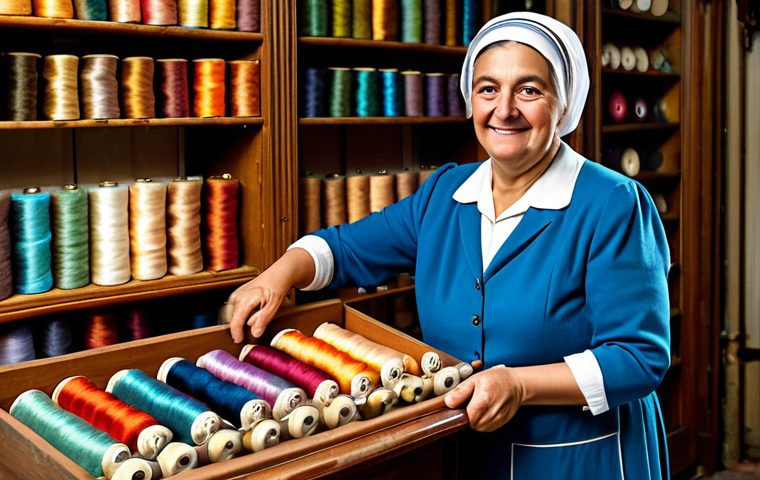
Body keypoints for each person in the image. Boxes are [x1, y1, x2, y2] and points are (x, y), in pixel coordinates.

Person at [226, 12, 670, 480]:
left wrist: (517, 384)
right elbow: (346, 249)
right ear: (470, 100)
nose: (504, 109)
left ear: (563, 105)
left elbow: (638, 357)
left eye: (529, 90)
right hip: (463, 452)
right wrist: (278, 275)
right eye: (488, 89)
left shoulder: (612, 203)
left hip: (578, 458)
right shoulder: (445, 194)